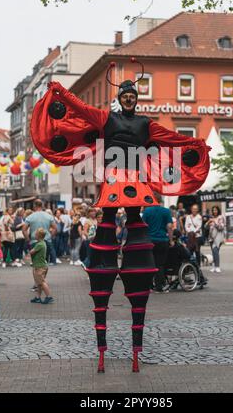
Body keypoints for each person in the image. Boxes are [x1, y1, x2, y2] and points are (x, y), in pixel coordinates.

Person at [30, 62, 210, 373]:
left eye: (133, 95)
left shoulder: (145, 124)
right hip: (114, 182)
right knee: (108, 224)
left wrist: (194, 144)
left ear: (136, 99)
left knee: (132, 223)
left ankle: (134, 342)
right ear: (120, 98)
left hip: (136, 184)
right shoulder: (106, 118)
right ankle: (104, 338)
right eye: (125, 94)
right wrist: (61, 92)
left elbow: (171, 137)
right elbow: (82, 109)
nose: (129, 98)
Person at [143, 193, 174, 293]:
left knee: (149, 264)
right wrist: (171, 240)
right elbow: (169, 226)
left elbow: (144, 226)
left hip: (150, 241)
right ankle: (159, 286)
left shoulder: (147, 211)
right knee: (160, 264)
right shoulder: (166, 211)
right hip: (162, 241)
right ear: (161, 200)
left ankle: (148, 286)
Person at [23, 199, 57, 266]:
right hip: (46, 240)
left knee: (36, 263)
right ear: (42, 205)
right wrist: (51, 236)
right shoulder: (49, 216)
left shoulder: (30, 217)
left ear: (34, 206)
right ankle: (43, 276)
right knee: (45, 262)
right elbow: (55, 228)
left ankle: (38, 276)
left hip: (34, 241)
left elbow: (24, 230)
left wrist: (28, 240)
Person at [27, 228, 54, 304]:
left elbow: (31, 252)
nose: (34, 235)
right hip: (42, 266)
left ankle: (49, 296)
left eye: (36, 234)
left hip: (39, 267)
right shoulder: (43, 243)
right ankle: (38, 297)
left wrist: (30, 249)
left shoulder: (39, 244)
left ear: (38, 236)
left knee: (42, 282)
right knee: (39, 283)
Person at [205, 206, 225, 273]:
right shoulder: (211, 218)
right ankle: (214, 266)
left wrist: (215, 221)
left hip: (218, 238)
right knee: (214, 252)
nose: (214, 211)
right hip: (211, 238)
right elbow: (205, 227)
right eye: (213, 210)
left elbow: (221, 227)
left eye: (215, 210)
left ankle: (217, 266)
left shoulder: (220, 217)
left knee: (215, 251)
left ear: (218, 210)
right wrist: (208, 222)